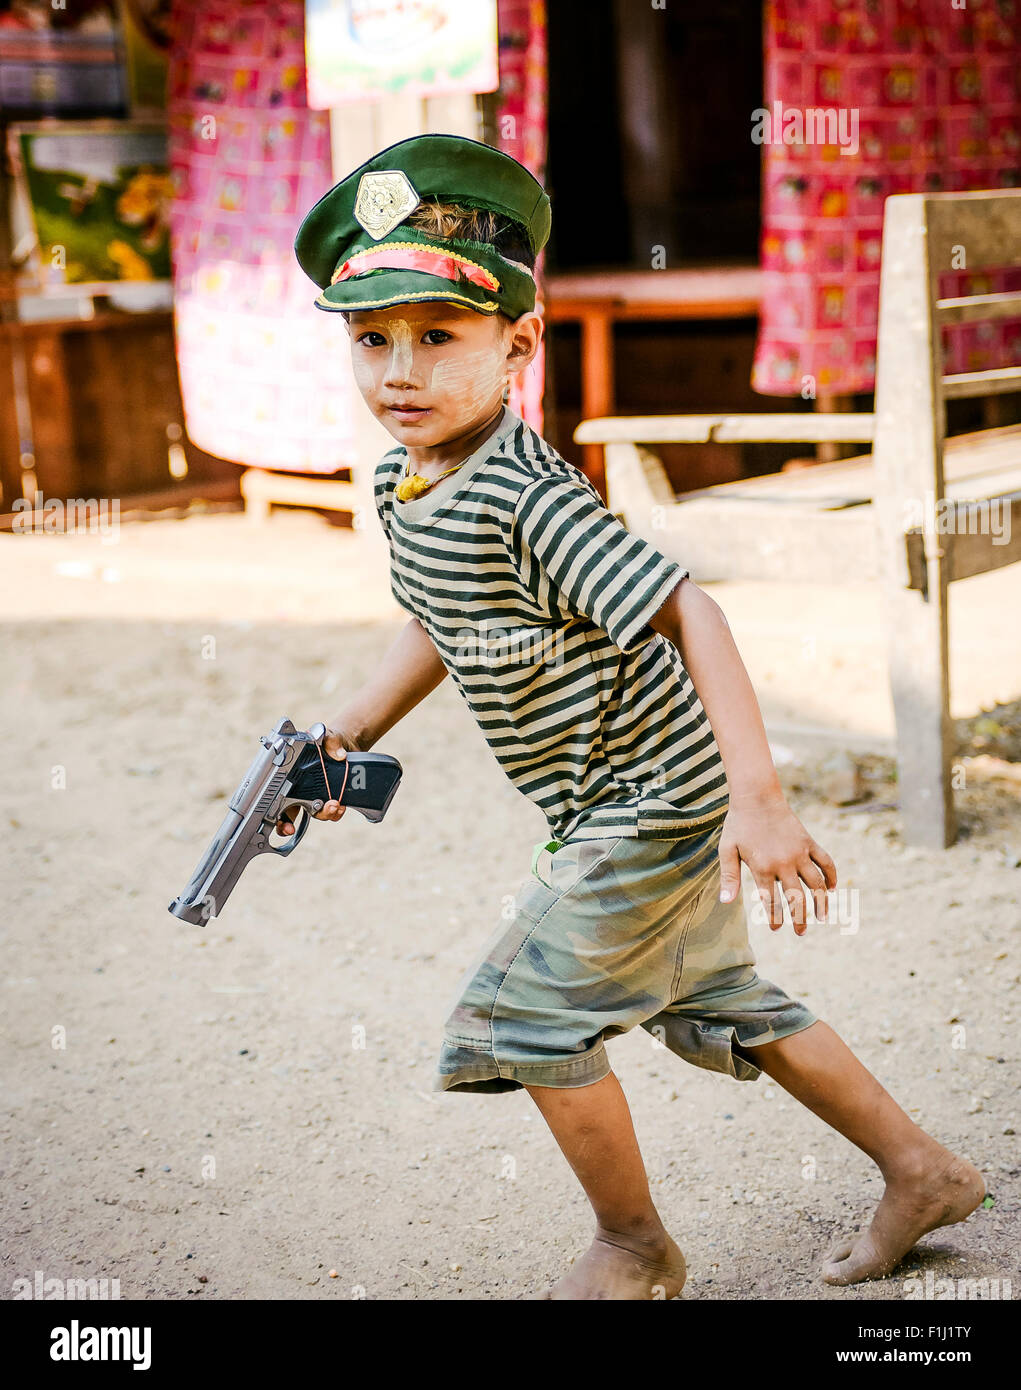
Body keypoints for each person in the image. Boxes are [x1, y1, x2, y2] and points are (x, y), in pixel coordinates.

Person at [285, 135, 985, 1300]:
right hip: (608, 797)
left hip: (656, 795)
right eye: (371, 338)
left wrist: (759, 798)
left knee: (526, 1013)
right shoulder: (406, 479)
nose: (398, 371)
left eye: (436, 335)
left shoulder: (520, 492)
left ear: (517, 344)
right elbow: (435, 622)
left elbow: (690, 609)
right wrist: (347, 732)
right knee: (718, 994)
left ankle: (634, 1245)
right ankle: (922, 1169)